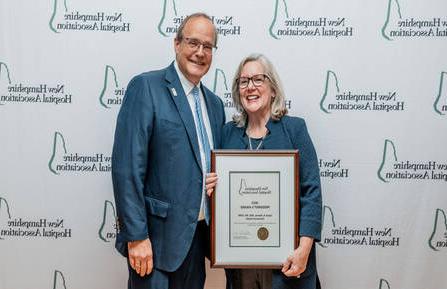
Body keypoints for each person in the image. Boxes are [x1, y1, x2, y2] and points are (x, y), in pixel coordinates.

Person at [112, 13, 225, 289]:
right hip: (155, 245)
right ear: (176, 44)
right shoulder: (146, 88)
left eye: (207, 46)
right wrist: (136, 236)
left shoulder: (215, 105)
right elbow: (127, 168)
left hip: (197, 243)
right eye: (193, 43)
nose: (200, 52)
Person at [206, 54, 322, 289]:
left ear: (273, 88)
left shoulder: (294, 129)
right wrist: (211, 189)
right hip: (240, 265)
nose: (250, 87)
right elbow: (222, 198)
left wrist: (304, 249)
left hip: (288, 263)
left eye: (258, 79)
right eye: (243, 81)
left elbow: (312, 192)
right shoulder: (227, 133)